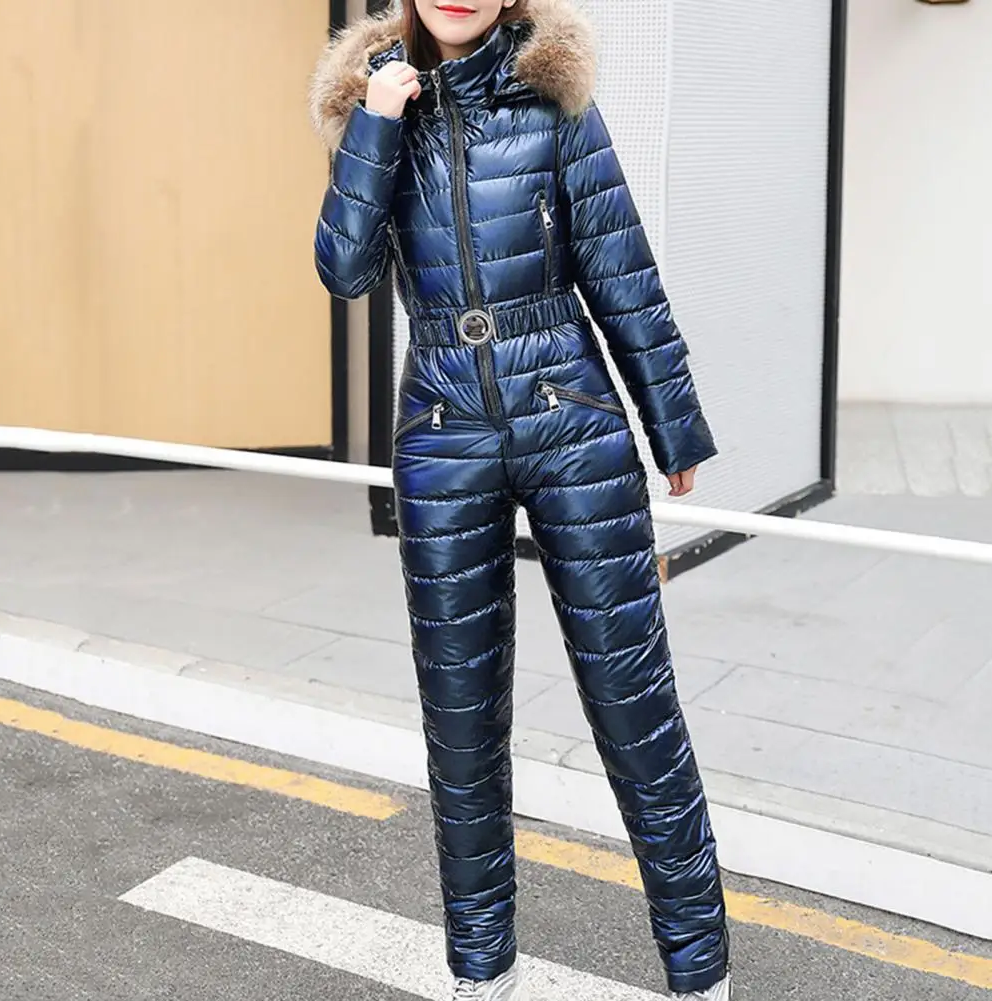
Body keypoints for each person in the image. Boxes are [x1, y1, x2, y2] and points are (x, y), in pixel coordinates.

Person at [310, 1, 731, 997]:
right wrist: (375, 122)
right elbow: (344, 268)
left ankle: (699, 971)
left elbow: (619, 267)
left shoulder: (555, 100)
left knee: (633, 705)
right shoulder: (376, 103)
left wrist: (671, 421)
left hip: (570, 421)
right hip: (442, 432)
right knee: (459, 722)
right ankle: (479, 972)